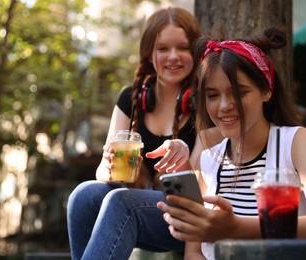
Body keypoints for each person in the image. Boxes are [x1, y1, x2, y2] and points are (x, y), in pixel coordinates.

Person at [156, 27, 306, 259]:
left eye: (239, 91)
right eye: (213, 95)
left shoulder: (294, 141)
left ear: (266, 91)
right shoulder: (208, 159)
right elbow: (194, 253)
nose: (225, 105)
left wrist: (236, 228)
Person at [67, 7, 223, 260]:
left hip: (189, 215)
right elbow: (102, 172)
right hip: (136, 212)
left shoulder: (207, 101)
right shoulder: (130, 99)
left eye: (182, 48)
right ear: (150, 54)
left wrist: (182, 162)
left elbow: (196, 191)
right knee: (83, 195)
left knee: (121, 201)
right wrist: (107, 169)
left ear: (195, 52)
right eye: (163, 49)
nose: (173, 56)